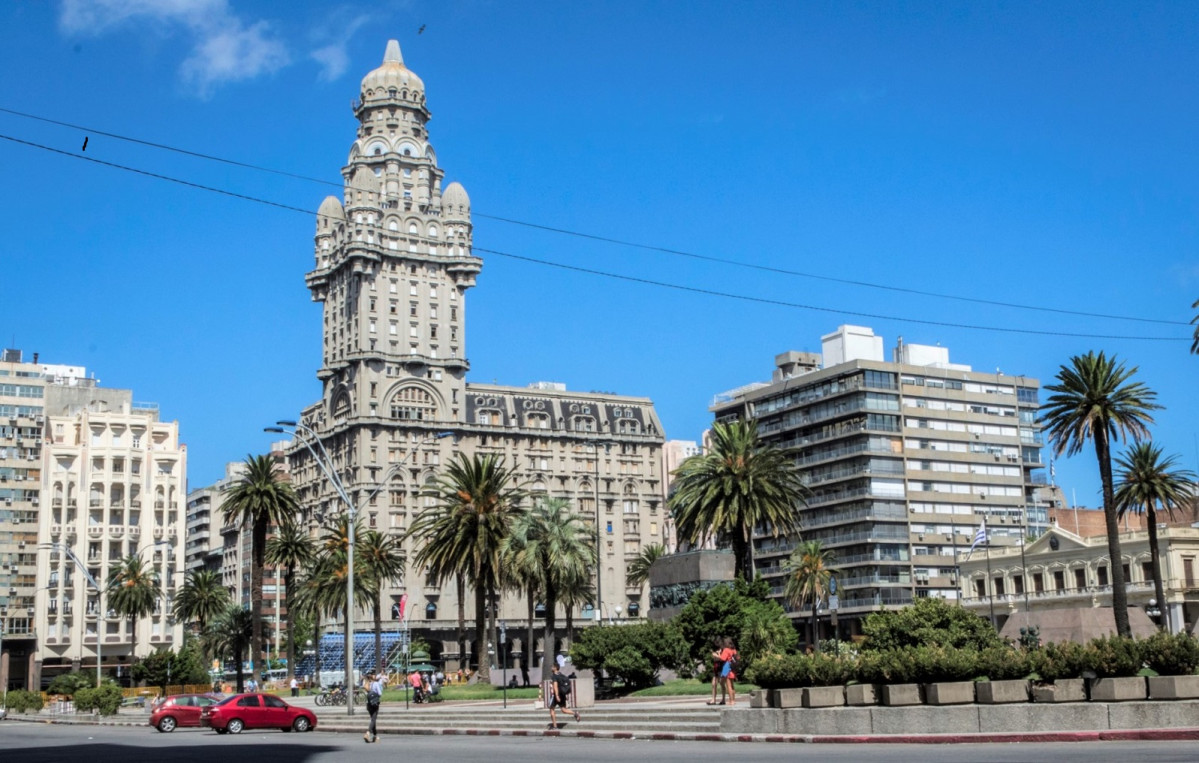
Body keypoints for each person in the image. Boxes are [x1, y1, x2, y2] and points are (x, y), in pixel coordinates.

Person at [546, 663, 580, 730]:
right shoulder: (562, 675)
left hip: (556, 695)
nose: (551, 668)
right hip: (562, 695)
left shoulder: (554, 676)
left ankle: (555, 726)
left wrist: (557, 695)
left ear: (555, 668)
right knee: (563, 709)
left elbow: (555, 686)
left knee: (552, 709)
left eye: (552, 667)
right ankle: (575, 713)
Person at [363, 671, 384, 744]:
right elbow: (380, 693)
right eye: (375, 674)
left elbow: (366, 693)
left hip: (368, 704)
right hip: (375, 704)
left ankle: (375, 736)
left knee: (373, 719)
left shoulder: (366, 684)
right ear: (373, 676)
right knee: (373, 719)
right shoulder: (376, 684)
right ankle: (368, 733)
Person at [718, 637, 738, 707]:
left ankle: (731, 700)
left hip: (728, 669)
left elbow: (722, 659)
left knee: (728, 685)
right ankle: (733, 700)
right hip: (733, 669)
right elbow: (737, 658)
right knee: (732, 686)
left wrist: (717, 655)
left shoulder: (726, 650)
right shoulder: (734, 650)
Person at [707, 636, 727, 706]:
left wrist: (717, 655)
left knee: (722, 683)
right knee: (713, 683)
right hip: (716, 667)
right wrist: (715, 656)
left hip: (722, 667)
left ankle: (723, 699)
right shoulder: (715, 649)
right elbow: (715, 658)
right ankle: (713, 699)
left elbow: (723, 659)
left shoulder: (724, 649)